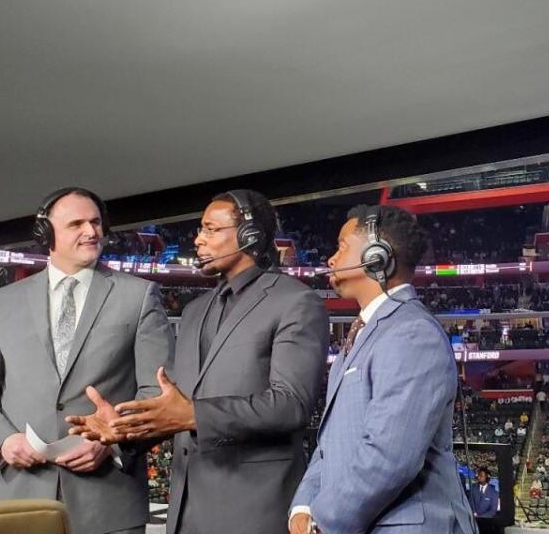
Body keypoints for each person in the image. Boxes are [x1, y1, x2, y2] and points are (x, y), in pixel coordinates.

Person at [68, 189, 328, 534]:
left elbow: (291, 404)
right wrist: (123, 429)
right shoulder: (193, 312)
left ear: (250, 236)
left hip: (255, 510)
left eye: (210, 229)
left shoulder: (295, 301)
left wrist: (195, 415)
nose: (198, 239)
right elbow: (172, 405)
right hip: (187, 511)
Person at [0, 187, 173, 534]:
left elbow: (158, 394)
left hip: (108, 506)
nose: (92, 232)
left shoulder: (139, 296)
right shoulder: (3, 302)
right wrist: (4, 441)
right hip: (20, 501)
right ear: (46, 234)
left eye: (97, 222)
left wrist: (111, 440)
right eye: (77, 224)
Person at [289, 205, 477, 534]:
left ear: (378, 257)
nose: (331, 259)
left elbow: (391, 457)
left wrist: (322, 520)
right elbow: (329, 444)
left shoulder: (411, 333)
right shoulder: (363, 334)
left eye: (342, 246)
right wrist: (303, 506)